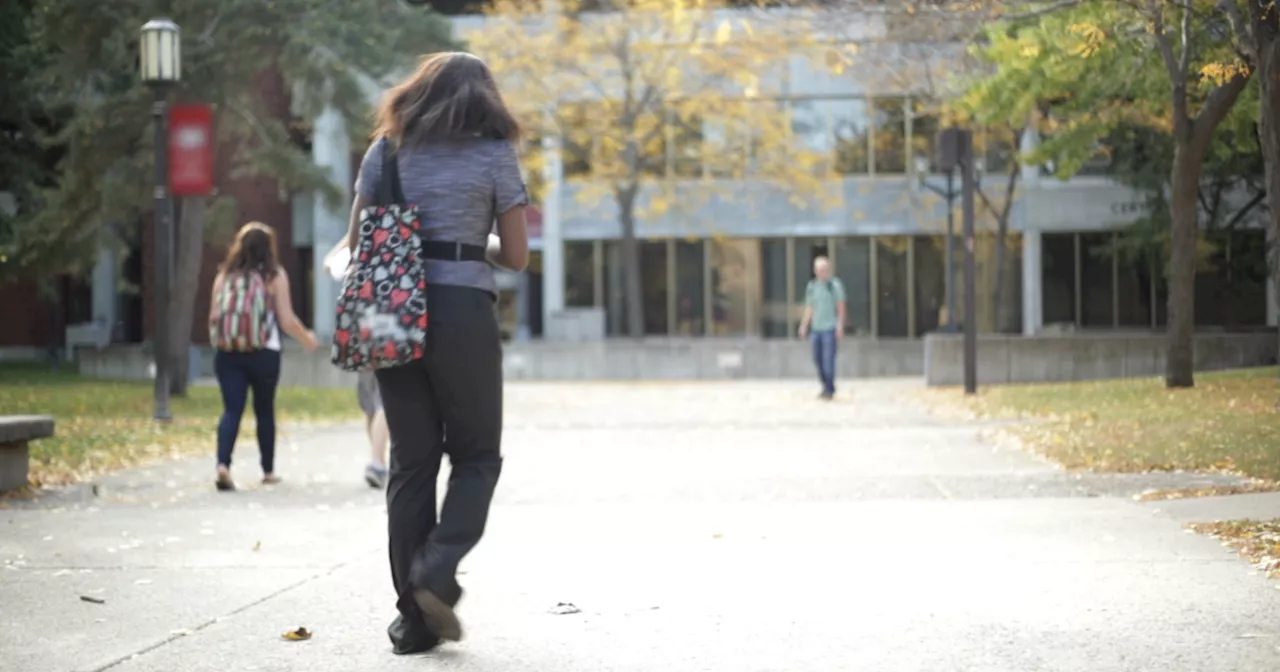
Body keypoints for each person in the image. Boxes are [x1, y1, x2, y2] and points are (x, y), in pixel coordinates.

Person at [346, 52, 528, 653]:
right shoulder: (494, 153)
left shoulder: (386, 152)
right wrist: (476, 238)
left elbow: (358, 243)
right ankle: (437, 567)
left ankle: (413, 622)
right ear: (485, 99)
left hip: (392, 312)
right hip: (462, 313)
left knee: (411, 461)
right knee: (476, 457)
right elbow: (518, 256)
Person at [209, 222, 319, 491]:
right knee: (264, 410)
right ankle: (268, 471)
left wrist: (224, 342)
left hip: (228, 351)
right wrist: (308, 339)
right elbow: (286, 319)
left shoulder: (225, 275)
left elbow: (213, 316)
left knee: (231, 410)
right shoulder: (274, 275)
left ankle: (223, 465)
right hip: (264, 352)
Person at [322, 240, 391, 489]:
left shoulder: (360, 242)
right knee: (384, 399)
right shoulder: (399, 241)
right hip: (392, 325)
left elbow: (328, 266)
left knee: (371, 400)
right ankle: (378, 461)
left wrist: (346, 240)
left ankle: (378, 460)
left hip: (361, 330)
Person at [798, 256, 846, 400]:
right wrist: (804, 325)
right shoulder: (812, 286)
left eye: (824, 269)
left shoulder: (835, 285)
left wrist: (840, 325)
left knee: (828, 360)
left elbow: (841, 307)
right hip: (816, 329)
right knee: (817, 358)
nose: (822, 272)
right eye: (819, 270)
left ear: (828, 270)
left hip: (830, 329)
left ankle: (829, 390)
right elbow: (809, 307)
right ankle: (826, 385)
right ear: (815, 271)